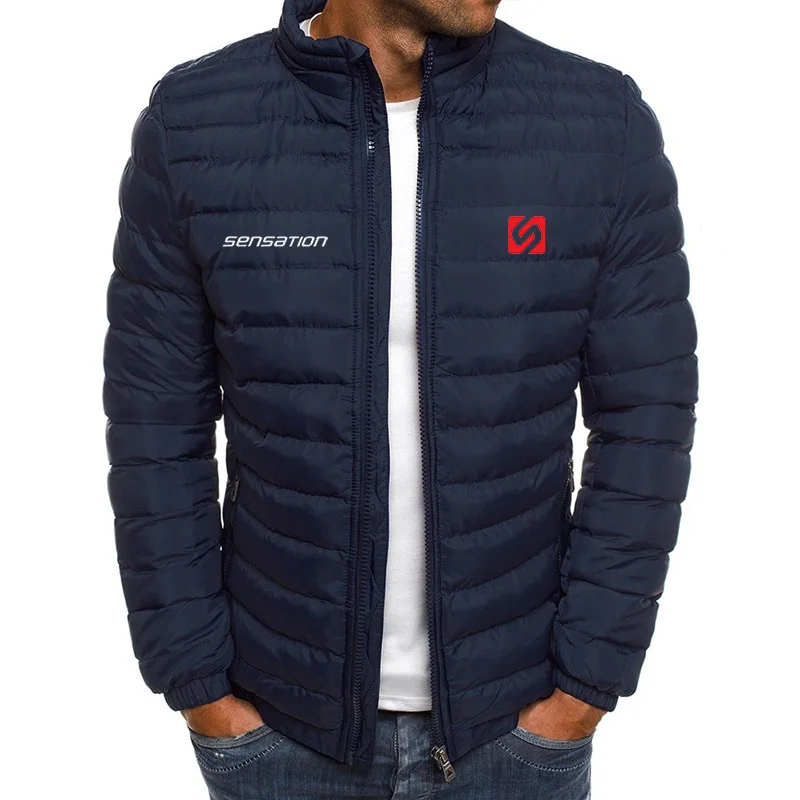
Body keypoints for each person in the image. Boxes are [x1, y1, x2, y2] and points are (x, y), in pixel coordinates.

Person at [102, 0, 698, 797]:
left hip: (515, 732)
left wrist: (585, 685)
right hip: (278, 729)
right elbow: (154, 423)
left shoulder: (599, 125)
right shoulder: (196, 125)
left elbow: (647, 419)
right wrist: (197, 683)